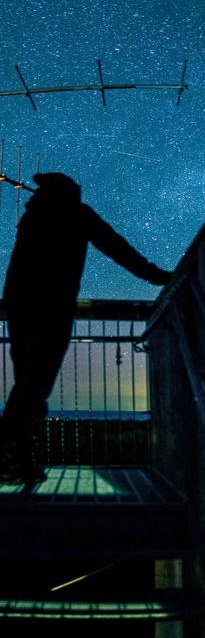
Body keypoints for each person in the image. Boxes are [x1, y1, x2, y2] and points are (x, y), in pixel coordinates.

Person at [0, 172, 171, 485]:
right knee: (34, 389)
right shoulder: (76, 214)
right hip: (52, 309)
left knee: (27, 388)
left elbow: (17, 266)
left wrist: (12, 305)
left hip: (18, 307)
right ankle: (11, 455)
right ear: (69, 192)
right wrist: (157, 277)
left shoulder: (33, 216)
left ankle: (21, 467)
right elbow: (117, 248)